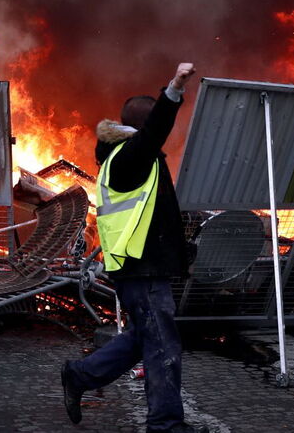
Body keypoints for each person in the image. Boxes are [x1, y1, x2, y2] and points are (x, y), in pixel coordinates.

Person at [61, 62, 208, 433]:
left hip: (141, 266)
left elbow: (155, 215)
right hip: (140, 269)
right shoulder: (130, 158)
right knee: (162, 347)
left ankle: (79, 376)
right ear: (140, 130)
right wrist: (174, 87)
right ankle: (166, 425)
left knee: (145, 338)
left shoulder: (129, 161)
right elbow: (157, 128)